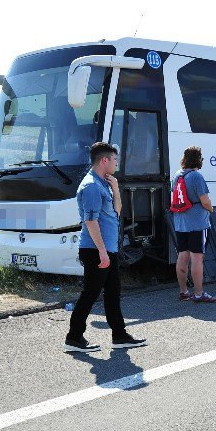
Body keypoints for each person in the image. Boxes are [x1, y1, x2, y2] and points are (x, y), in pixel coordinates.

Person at [64, 142, 146, 353]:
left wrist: (116, 188)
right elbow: (91, 222)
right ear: (104, 160)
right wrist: (102, 251)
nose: (117, 163)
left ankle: (119, 335)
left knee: (112, 293)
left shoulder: (104, 184)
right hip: (96, 250)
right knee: (90, 293)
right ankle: (73, 338)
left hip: (107, 249)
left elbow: (116, 211)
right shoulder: (91, 186)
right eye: (115, 159)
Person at [171, 145, 216, 303]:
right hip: (197, 223)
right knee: (197, 258)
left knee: (182, 257)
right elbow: (204, 201)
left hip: (180, 223)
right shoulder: (196, 176)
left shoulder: (178, 175)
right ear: (198, 160)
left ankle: (184, 292)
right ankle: (199, 294)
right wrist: (211, 209)